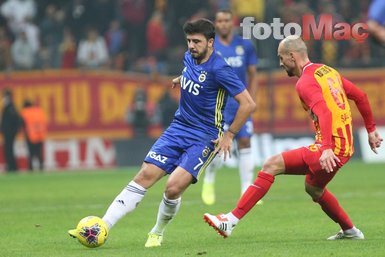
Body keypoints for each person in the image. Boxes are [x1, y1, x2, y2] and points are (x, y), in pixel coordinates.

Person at [68, 18, 256, 247]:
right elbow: (192, 72)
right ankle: (103, 226)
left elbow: (248, 103)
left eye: (197, 41)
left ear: (210, 43)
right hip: (177, 128)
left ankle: (157, 231)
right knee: (144, 176)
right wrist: (182, 78)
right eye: (189, 41)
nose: (191, 46)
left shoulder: (220, 68)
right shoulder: (189, 57)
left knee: (172, 188)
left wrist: (230, 134)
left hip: (204, 137)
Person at [203, 36, 383, 240]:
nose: (280, 64)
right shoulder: (327, 71)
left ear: (292, 56)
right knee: (314, 188)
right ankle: (350, 231)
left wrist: (326, 147)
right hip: (345, 146)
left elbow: (325, 111)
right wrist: (370, 129)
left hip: (332, 148)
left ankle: (230, 221)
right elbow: (360, 96)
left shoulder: (305, 83)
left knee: (271, 165)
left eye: (281, 58)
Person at [201, 10, 259, 206]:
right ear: (215, 24)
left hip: (240, 103)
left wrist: (252, 99)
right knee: (218, 146)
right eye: (219, 21)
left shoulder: (245, 45)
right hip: (219, 104)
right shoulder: (210, 47)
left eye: (226, 20)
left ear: (232, 23)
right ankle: (209, 179)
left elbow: (253, 75)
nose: (223, 24)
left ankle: (246, 190)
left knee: (245, 141)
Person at [20, 100, 47, 171]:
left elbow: (22, 123)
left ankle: (30, 167)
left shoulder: (25, 112)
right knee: (39, 152)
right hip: (40, 135)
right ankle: (41, 166)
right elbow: (44, 121)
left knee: (31, 153)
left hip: (30, 135)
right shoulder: (39, 111)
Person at [0, 89, 21, 172]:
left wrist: (13, 130)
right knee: (8, 149)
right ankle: (11, 166)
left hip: (9, 132)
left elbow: (15, 120)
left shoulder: (10, 107)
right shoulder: (7, 107)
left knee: (9, 149)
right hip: (7, 132)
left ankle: (12, 167)